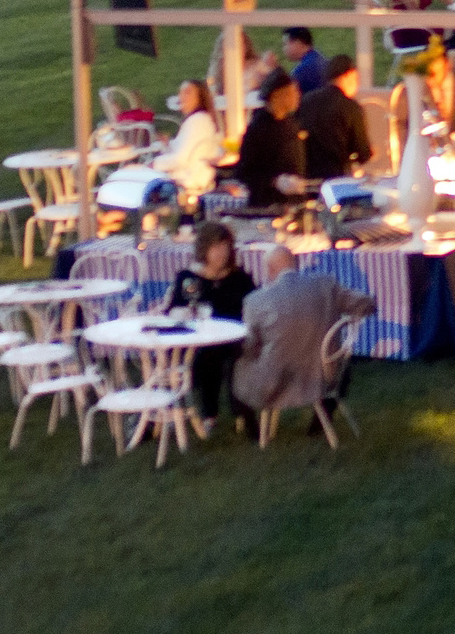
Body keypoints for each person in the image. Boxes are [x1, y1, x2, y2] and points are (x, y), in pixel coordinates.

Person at [231, 247, 376, 437]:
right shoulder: (326, 285)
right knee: (340, 363)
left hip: (276, 381)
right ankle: (320, 423)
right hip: (325, 377)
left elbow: (251, 346)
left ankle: (252, 430)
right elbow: (366, 304)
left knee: (237, 365)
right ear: (296, 264)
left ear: (270, 270)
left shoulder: (255, 301)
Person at [168, 220, 256, 433]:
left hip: (235, 339)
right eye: (216, 248)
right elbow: (173, 310)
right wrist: (185, 312)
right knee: (207, 355)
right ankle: (208, 413)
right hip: (200, 340)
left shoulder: (238, 278)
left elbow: (256, 306)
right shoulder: (190, 278)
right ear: (204, 249)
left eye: (225, 247)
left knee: (238, 357)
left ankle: (244, 415)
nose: (221, 253)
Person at [232, 69, 307, 208]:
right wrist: (274, 181)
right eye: (292, 92)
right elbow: (244, 172)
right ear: (277, 96)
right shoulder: (258, 129)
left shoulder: (291, 123)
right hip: (268, 205)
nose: (298, 96)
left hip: (295, 203)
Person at [299, 54, 372, 182]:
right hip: (338, 178)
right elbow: (363, 153)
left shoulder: (306, 100)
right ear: (349, 75)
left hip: (307, 177)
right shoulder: (350, 107)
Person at [152, 79, 223, 195]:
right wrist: (167, 144)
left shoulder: (196, 122)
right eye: (180, 92)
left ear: (200, 98)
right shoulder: (201, 119)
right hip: (192, 180)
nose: (181, 96)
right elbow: (186, 149)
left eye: (187, 92)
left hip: (185, 185)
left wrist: (153, 164)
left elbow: (179, 160)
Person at [281, 27, 329, 98]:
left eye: (285, 44)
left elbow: (283, 97)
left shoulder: (303, 70)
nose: (284, 49)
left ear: (298, 43)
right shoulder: (318, 57)